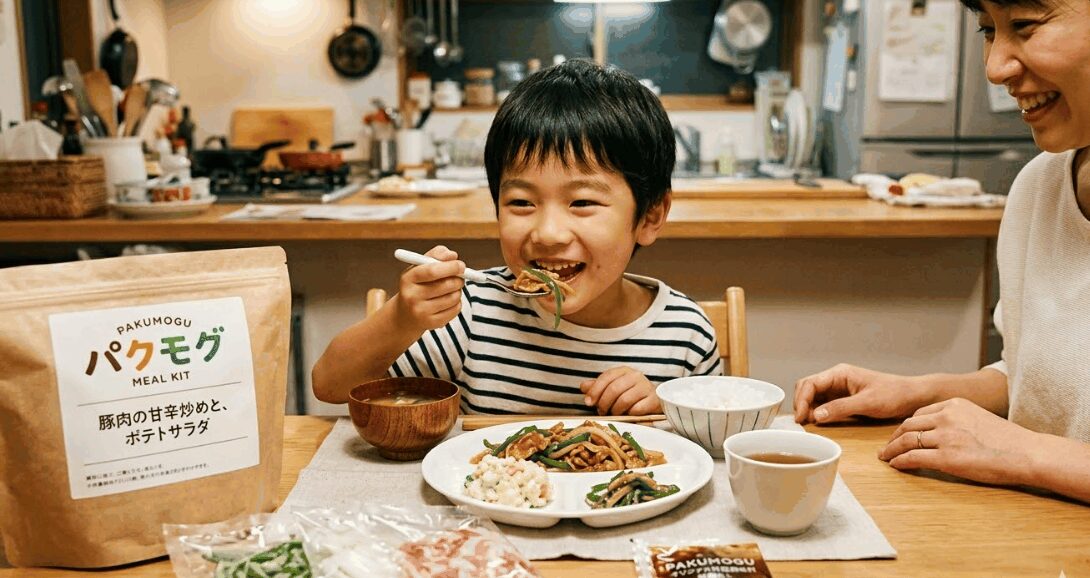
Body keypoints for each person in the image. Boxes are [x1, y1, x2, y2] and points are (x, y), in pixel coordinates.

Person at [795, 0, 1090, 503]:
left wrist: (1027, 455)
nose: (996, 67)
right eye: (988, 30)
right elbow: (1038, 380)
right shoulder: (1038, 189)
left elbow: (1036, 439)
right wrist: (919, 391)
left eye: (1024, 26)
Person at [312, 59, 722, 414]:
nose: (547, 233)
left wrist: (665, 409)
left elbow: (714, 445)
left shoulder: (683, 335)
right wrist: (402, 318)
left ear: (650, 217)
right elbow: (329, 386)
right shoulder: (471, 314)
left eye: (581, 203)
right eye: (522, 203)